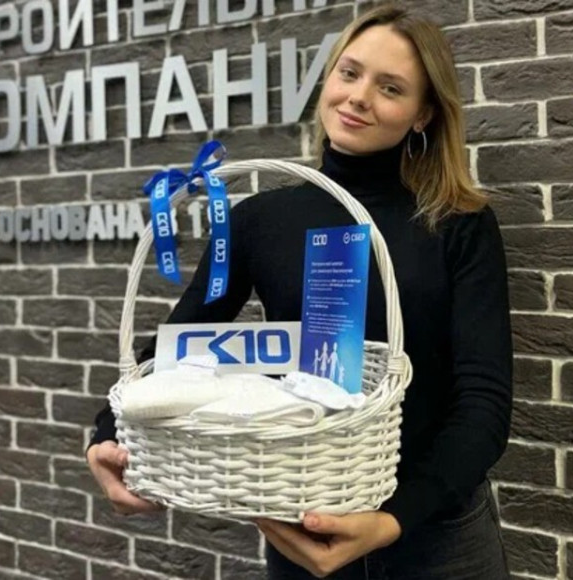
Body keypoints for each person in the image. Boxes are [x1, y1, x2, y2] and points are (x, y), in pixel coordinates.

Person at [85, 3, 513, 578]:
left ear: (423, 114)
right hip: (304, 526)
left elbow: (484, 401)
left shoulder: (457, 222)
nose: (359, 97)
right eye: (349, 73)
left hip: (438, 535)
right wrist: (106, 434)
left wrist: (393, 519)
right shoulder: (259, 220)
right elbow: (173, 350)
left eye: (390, 88)